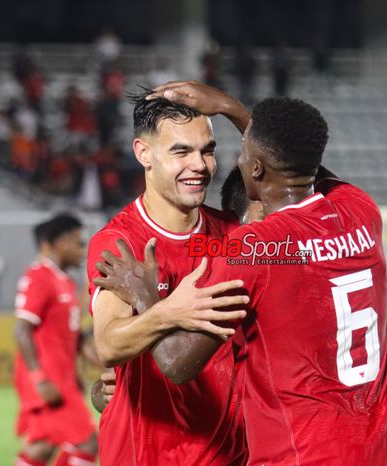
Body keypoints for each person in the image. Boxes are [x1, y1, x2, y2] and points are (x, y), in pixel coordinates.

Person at [96, 93, 387, 465]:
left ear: (256, 168)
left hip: (303, 455)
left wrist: (147, 297)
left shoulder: (254, 248)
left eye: (238, 152)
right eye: (183, 152)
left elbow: (175, 363)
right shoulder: (360, 209)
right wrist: (232, 108)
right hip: (383, 450)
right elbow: (300, 160)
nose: (206, 164)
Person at [86, 90, 251, 465]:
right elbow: (109, 345)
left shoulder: (231, 235)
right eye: (181, 152)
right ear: (144, 153)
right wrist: (168, 313)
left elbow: (291, 170)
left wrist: (230, 108)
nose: (200, 165)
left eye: (207, 151)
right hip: (146, 455)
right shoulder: (119, 243)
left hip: (227, 454)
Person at [13, 213, 99, 466]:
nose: (83, 250)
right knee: (87, 441)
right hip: (46, 379)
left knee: (43, 446)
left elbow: (72, 340)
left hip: (62, 378)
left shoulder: (66, 283)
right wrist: (39, 379)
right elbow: (21, 330)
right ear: (60, 242)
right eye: (77, 242)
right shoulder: (40, 275)